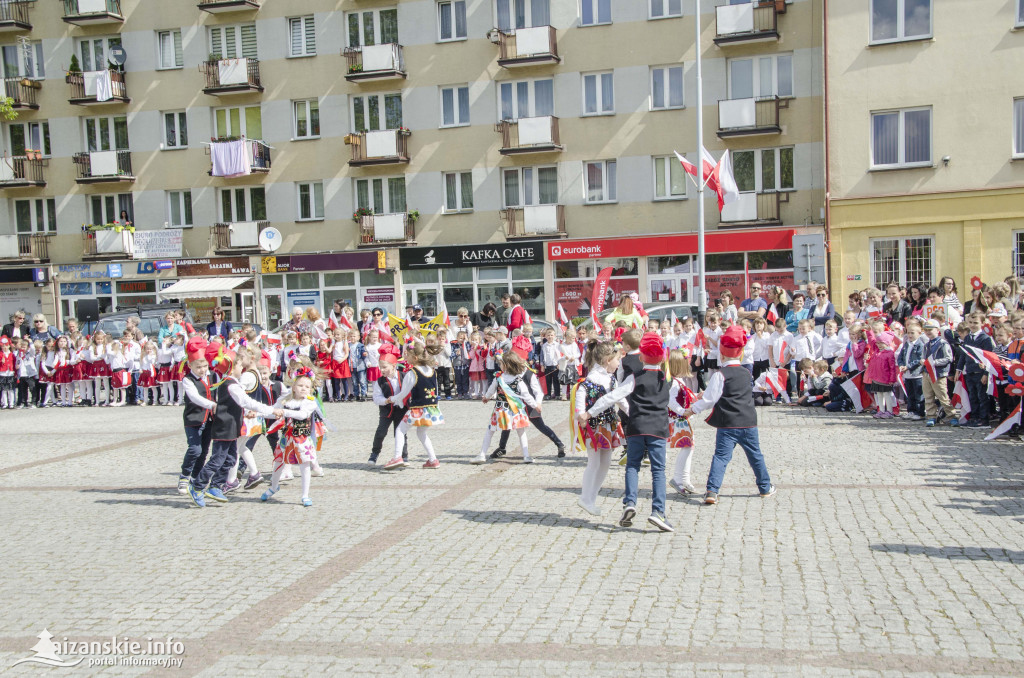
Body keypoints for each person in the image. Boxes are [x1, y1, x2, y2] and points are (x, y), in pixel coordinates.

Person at [582, 332, 674, 532]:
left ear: (641, 357)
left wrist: (589, 412)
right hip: (658, 429)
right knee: (658, 470)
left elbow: (612, 396)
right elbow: (675, 404)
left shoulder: (634, 378)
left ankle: (629, 503)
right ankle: (658, 511)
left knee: (632, 466)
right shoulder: (667, 379)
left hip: (636, 427)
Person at [684, 324, 776, 504]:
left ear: (722, 354)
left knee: (721, 457)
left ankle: (712, 491)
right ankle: (765, 487)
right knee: (755, 455)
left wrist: (692, 409)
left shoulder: (720, 374)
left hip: (728, 423)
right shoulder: (746, 373)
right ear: (740, 354)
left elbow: (710, 399)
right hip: (748, 421)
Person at [187, 348, 282, 508]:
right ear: (232, 368)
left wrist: (251, 412)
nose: (242, 368)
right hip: (224, 428)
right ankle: (197, 486)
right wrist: (271, 410)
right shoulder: (231, 385)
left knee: (231, 458)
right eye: (239, 366)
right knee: (218, 459)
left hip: (232, 427)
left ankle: (216, 486)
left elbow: (241, 405)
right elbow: (247, 402)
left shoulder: (233, 384)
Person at [488, 336, 566, 461]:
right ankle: (502, 448)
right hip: (513, 405)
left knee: (541, 426)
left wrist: (538, 404)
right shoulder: (507, 373)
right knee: (507, 425)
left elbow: (538, 392)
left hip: (529, 404)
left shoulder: (529, 373)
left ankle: (559, 443)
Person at [571, 340, 625, 516]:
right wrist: (581, 416)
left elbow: (620, 399)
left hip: (608, 424)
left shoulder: (611, 378)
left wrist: (632, 412)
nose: (619, 363)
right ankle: (585, 497)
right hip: (594, 426)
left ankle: (591, 498)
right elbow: (580, 398)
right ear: (608, 360)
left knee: (606, 462)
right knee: (594, 462)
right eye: (617, 359)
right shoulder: (591, 379)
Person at [261, 366, 327, 507]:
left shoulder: (309, 402)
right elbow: (273, 411)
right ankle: (274, 486)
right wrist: (257, 413)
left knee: (305, 465)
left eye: (307, 386)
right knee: (279, 462)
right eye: (300, 385)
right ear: (293, 387)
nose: (303, 388)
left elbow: (302, 415)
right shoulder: (285, 400)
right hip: (286, 437)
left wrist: (283, 412)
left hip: (302, 439)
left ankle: (305, 495)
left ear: (311, 389)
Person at [382, 344, 446, 469]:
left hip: (418, 409)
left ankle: (397, 457)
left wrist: (392, 399)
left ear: (415, 358)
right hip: (431, 408)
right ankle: (433, 460)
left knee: (400, 430)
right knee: (421, 433)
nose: (405, 357)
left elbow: (403, 393)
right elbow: (436, 391)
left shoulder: (412, 373)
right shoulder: (432, 370)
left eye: (408, 355)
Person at [473, 349, 540, 464]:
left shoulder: (498, 378)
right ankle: (526, 456)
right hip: (516, 410)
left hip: (500, 410)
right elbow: (526, 396)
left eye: (501, 363)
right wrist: (536, 405)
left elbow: (490, 391)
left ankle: (482, 455)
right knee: (521, 433)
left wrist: (486, 398)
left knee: (490, 431)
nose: (499, 365)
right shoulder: (518, 380)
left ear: (506, 365)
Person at [176, 340, 215, 495]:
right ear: (190, 366)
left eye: (204, 366)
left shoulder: (212, 376)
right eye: (198, 367)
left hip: (210, 420)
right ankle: (185, 475)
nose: (202, 370)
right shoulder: (188, 380)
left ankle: (194, 478)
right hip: (193, 419)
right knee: (194, 449)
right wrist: (212, 404)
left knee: (204, 451)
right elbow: (195, 397)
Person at [369, 347, 408, 466]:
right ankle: (374, 454)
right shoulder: (380, 381)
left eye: (385, 367)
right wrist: (385, 401)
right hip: (387, 410)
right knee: (381, 432)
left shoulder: (404, 376)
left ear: (394, 365)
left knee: (400, 433)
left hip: (401, 410)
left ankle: (403, 456)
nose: (382, 370)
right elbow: (376, 397)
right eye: (380, 367)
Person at [956, 312, 996, 428]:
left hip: (980, 372)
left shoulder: (985, 339)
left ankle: (984, 419)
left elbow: (989, 358)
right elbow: (964, 354)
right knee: (972, 396)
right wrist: (959, 368)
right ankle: (974, 417)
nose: (973, 325)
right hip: (970, 371)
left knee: (982, 396)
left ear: (982, 323)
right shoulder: (968, 337)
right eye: (971, 323)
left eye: (976, 323)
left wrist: (986, 373)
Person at [897, 319, 926, 419]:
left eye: (912, 333)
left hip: (917, 374)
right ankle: (911, 410)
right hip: (907, 374)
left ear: (919, 333)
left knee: (918, 394)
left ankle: (920, 412)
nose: (910, 335)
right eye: (908, 333)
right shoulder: (906, 344)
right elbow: (900, 356)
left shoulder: (920, 345)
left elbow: (919, 359)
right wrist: (901, 364)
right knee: (910, 394)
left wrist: (908, 366)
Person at [866, 331, 898, 419]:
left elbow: (892, 368)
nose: (879, 345)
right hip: (876, 378)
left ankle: (890, 411)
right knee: (879, 395)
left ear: (887, 343)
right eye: (878, 343)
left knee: (887, 395)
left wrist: (892, 379)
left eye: (882, 343)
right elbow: (871, 341)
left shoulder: (889, 353)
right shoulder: (876, 351)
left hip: (886, 379)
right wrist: (869, 332)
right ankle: (881, 410)